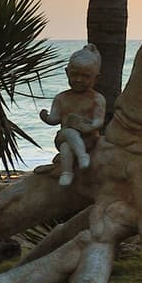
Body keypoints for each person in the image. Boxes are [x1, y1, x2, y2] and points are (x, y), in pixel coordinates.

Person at [40, 44, 107, 187]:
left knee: (66, 146)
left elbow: (98, 121)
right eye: (74, 74)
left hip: (88, 139)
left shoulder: (97, 99)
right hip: (63, 136)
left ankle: (69, 170)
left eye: (85, 76)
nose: (78, 79)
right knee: (67, 135)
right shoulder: (61, 98)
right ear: (67, 73)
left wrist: (86, 127)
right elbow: (55, 118)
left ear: (96, 78)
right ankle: (75, 164)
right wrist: (46, 117)